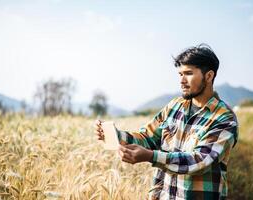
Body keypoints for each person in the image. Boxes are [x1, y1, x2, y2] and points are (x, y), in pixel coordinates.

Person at [95, 44, 238, 200]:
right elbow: (148, 137)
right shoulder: (174, 106)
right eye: (180, 74)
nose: (182, 80)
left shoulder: (224, 118)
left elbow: (199, 160)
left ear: (209, 76)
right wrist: (115, 136)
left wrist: (151, 156)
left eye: (188, 73)